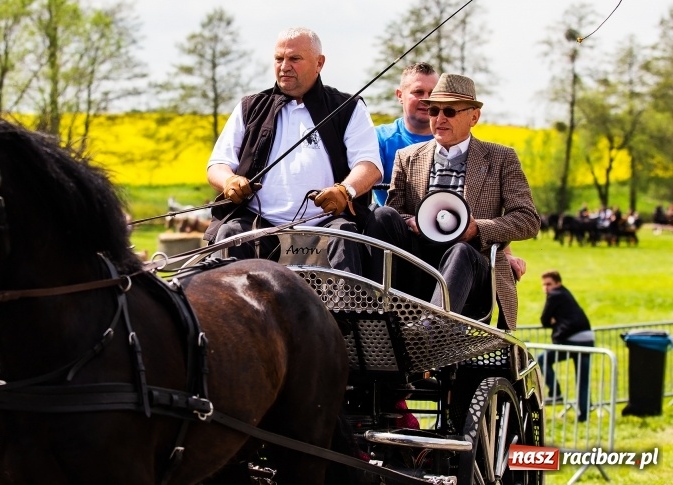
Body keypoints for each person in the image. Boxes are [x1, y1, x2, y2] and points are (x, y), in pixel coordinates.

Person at [365, 73, 540, 329]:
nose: (439, 118)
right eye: (433, 110)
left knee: (461, 251)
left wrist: (477, 228)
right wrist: (410, 221)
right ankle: (373, 311)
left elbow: (527, 219)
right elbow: (395, 211)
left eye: (449, 111)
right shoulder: (407, 157)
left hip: (473, 272)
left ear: (474, 117)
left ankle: (430, 331)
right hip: (419, 265)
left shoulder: (502, 158)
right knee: (380, 215)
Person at [204, 27, 383, 274]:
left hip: (327, 226)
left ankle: (347, 314)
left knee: (346, 236)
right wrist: (230, 181)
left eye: (294, 59)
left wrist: (345, 190)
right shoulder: (250, 107)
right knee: (230, 233)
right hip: (259, 226)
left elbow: (369, 165)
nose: (284, 66)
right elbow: (218, 165)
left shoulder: (348, 108)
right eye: (279, 59)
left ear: (319, 63)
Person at [373, 63, 439, 206]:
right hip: (391, 223)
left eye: (432, 93)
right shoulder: (380, 138)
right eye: (418, 92)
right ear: (400, 95)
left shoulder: (452, 139)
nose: (426, 99)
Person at [536, 270, 594, 422]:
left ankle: (555, 392)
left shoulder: (555, 295)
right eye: (544, 285)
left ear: (558, 284)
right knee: (583, 379)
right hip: (588, 339)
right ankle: (584, 415)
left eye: (549, 284)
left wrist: (554, 321)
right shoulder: (565, 293)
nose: (546, 288)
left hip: (571, 340)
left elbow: (544, 320)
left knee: (541, 359)